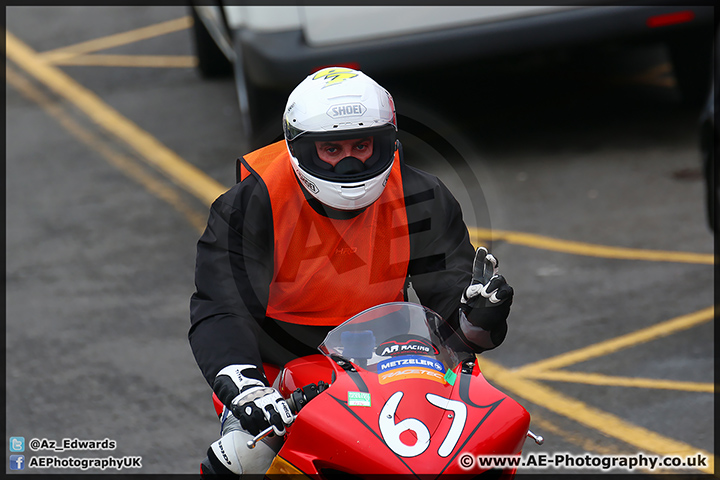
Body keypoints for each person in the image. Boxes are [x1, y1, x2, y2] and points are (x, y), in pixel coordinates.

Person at [189, 67, 514, 477]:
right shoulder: (251, 205)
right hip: (277, 376)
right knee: (243, 457)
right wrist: (246, 386)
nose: (348, 162)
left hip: (388, 365)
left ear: (386, 142)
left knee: (483, 444)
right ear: (300, 149)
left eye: (361, 145)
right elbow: (220, 307)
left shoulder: (421, 197)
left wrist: (474, 316)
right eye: (331, 149)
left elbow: (452, 300)